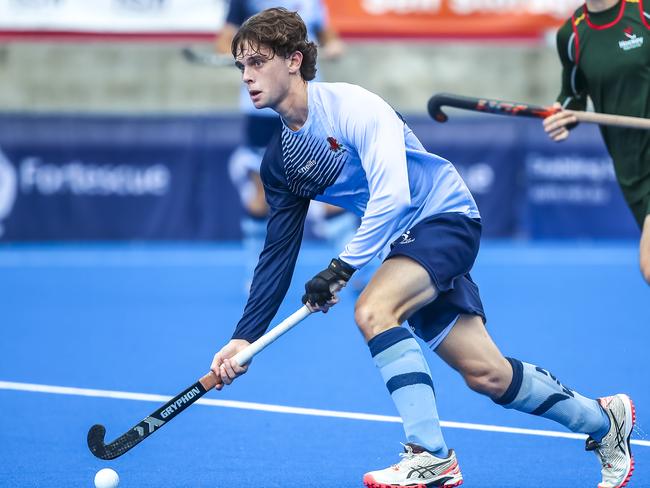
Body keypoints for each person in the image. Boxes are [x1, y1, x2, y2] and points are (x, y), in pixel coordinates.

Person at [210, 8, 636, 488]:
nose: (246, 77)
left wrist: (342, 266)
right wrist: (245, 336)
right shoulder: (281, 162)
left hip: (442, 216)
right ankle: (605, 422)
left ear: (293, 60)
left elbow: (394, 195)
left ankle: (430, 455)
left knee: (374, 309)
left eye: (256, 62)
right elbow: (277, 254)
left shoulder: (353, 107)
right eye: (240, 66)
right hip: (405, 243)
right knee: (487, 375)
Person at [214, 0, 355, 289]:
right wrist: (246, 58)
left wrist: (335, 44)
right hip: (262, 113)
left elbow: (325, 34)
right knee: (261, 189)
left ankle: (356, 267)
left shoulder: (313, 3)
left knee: (330, 181)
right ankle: (258, 271)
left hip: (309, 104)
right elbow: (224, 41)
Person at [543, 0, 650, 286]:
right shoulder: (571, 36)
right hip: (632, 169)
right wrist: (562, 115)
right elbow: (573, 95)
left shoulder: (644, 10)